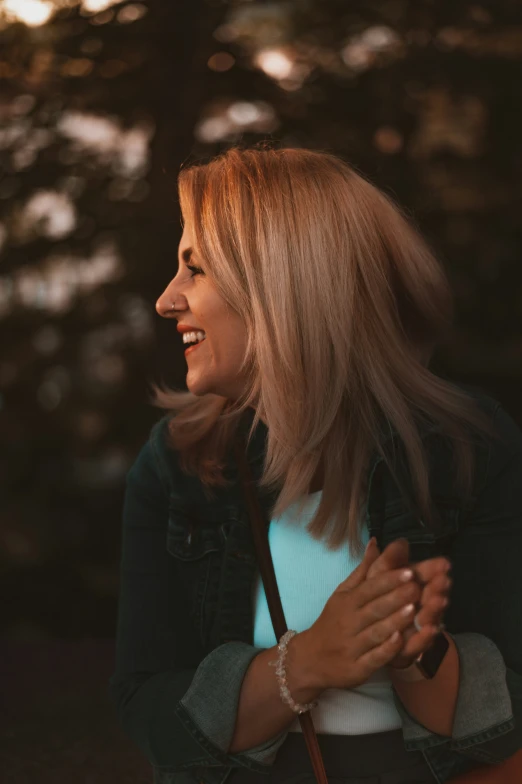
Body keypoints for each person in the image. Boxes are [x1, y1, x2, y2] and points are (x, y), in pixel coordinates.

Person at [109, 146, 522, 784]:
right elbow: (148, 709)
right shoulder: (177, 464)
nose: (167, 301)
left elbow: (510, 717)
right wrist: (304, 664)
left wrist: (416, 655)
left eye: (196, 269)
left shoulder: (469, 445)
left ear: (283, 282)